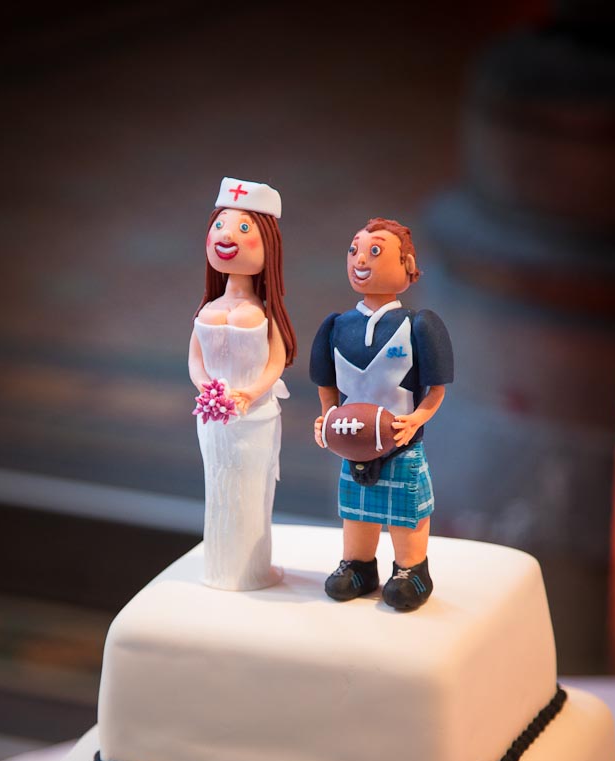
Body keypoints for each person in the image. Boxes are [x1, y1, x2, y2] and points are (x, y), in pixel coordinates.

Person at [310, 218, 453, 610]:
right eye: (354, 249)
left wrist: (417, 419)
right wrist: (327, 416)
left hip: (400, 443)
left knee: (406, 513)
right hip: (352, 442)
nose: (360, 260)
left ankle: (411, 569)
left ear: (408, 265)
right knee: (356, 512)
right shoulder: (336, 326)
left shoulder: (418, 325)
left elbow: (436, 389)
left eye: (374, 251)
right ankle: (358, 564)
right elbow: (326, 383)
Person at [189, 176, 297, 591]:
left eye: (242, 228)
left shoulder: (266, 314)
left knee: (249, 492)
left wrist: (250, 393)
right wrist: (207, 387)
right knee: (217, 487)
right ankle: (219, 567)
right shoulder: (208, 307)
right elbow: (195, 359)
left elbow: (275, 362)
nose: (226, 236)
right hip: (214, 418)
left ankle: (251, 570)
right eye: (219, 226)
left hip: (254, 418)